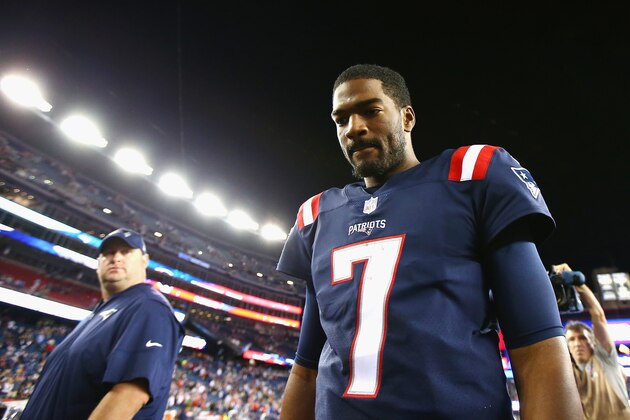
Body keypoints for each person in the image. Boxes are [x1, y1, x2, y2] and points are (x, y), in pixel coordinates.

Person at [276, 64, 583, 419]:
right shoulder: (316, 215)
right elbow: (306, 369)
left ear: (407, 118)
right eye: (341, 119)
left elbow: (538, 346)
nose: (354, 128)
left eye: (371, 111)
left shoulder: (470, 176)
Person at [21, 228, 185, 420]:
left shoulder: (149, 307)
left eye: (126, 252)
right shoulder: (98, 314)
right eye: (109, 253)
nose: (116, 258)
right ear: (98, 263)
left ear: (144, 261)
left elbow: (129, 394)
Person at [555, 263, 630, 419]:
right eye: (572, 339)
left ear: (593, 342)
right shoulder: (568, 373)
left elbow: (598, 316)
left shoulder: (604, 359)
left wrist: (579, 284)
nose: (577, 343)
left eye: (582, 338)